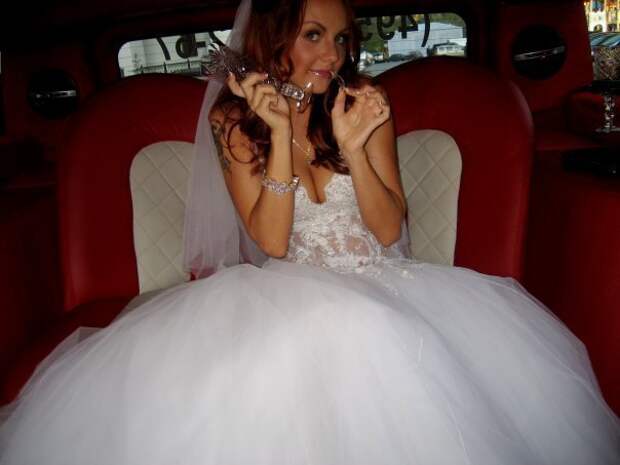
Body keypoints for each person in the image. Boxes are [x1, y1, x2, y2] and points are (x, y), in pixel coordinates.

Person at [1, 0, 619, 464]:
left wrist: (355, 145)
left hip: (386, 282)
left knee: (371, 328)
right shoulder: (233, 122)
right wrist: (277, 137)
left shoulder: (365, 102)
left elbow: (388, 227)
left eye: (341, 38)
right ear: (274, 39)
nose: (332, 54)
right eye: (314, 35)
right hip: (287, 290)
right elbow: (271, 242)